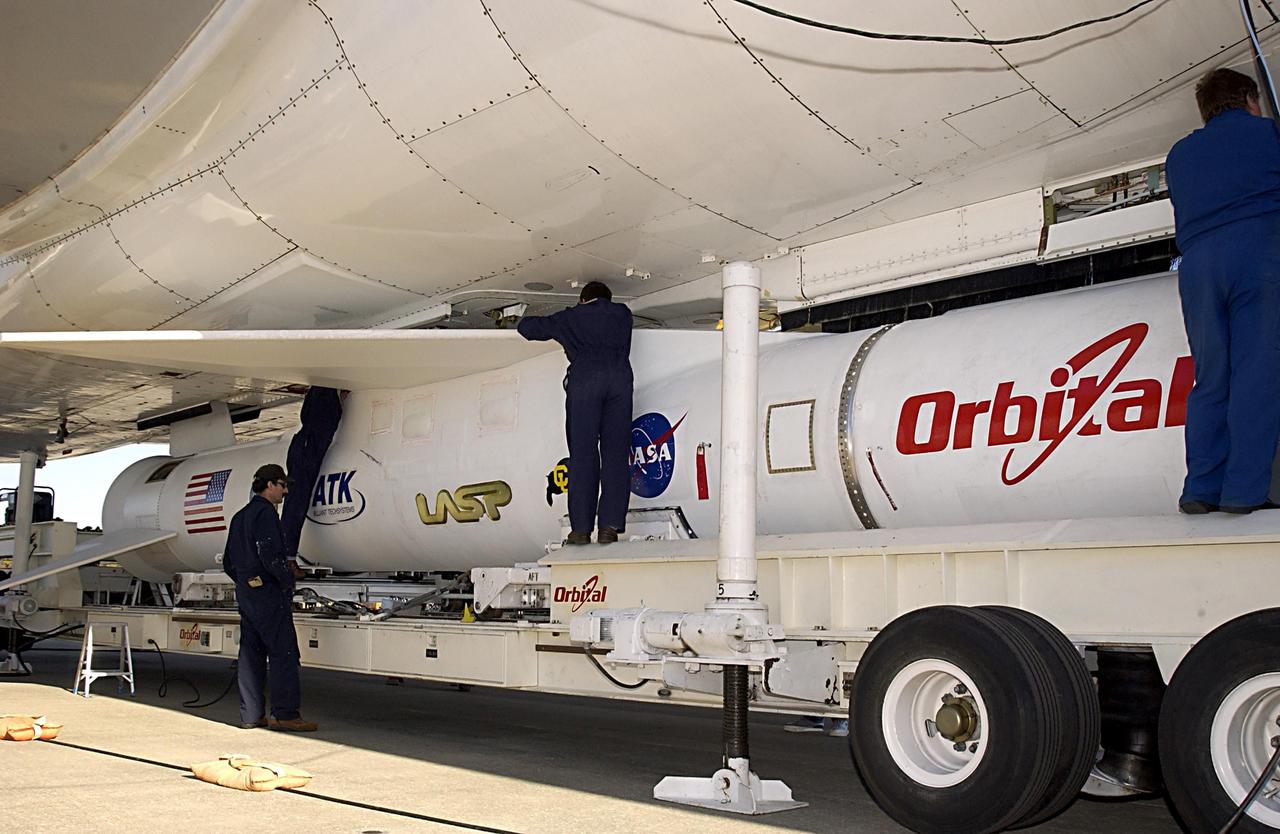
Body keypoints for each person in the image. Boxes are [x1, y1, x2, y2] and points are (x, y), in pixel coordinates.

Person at [1165, 67, 1280, 515]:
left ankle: (1199, 487)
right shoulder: (1268, 134)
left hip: (1198, 267)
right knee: (1257, 374)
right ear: (1249, 98)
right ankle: (1243, 492)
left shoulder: (1179, 154)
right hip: (1260, 252)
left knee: (1211, 378)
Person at [517, 281, 633, 544]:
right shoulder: (623, 314)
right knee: (615, 454)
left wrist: (522, 319)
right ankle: (609, 527)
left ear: (583, 300)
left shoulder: (572, 317)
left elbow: (530, 329)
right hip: (620, 382)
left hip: (585, 382)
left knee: (583, 454)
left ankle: (581, 529)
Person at [223, 464, 317, 731]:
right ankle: (285, 714)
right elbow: (269, 555)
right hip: (267, 593)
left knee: (251, 653)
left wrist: (247, 583)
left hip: (248, 592)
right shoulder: (266, 514)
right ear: (269, 485)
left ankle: (251, 715)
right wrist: (286, 581)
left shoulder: (240, 516)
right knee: (283, 651)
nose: (286, 491)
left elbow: (229, 562)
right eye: (282, 485)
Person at [279, 386, 344, 566]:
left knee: (296, 499)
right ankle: (288, 556)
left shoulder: (322, 392)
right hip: (308, 448)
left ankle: (288, 555)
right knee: (297, 499)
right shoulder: (325, 396)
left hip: (304, 444)